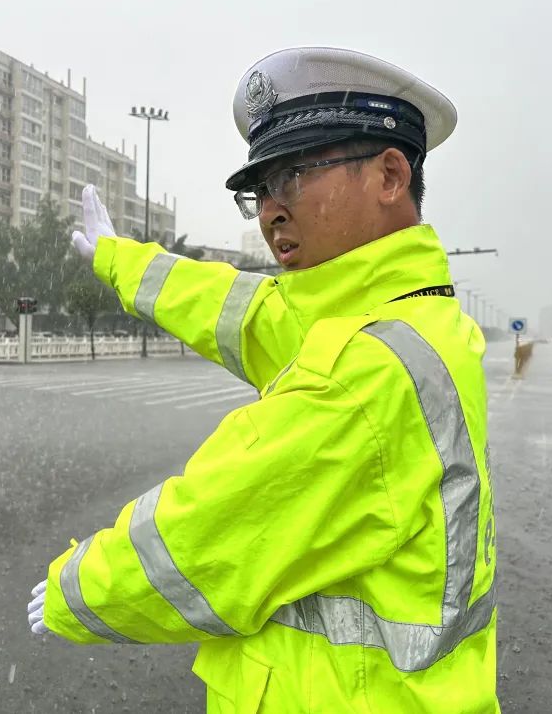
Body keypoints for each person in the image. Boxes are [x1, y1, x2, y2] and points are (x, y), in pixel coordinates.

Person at [27, 47, 499, 712]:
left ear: (390, 175)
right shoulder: (401, 320)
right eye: (261, 189)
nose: (272, 209)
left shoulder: (362, 375)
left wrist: (78, 590)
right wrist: (121, 261)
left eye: (295, 176)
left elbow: (203, 542)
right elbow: (238, 310)